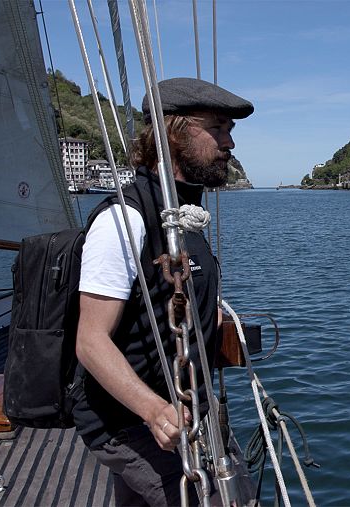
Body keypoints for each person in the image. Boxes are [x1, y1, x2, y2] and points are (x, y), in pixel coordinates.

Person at [72, 77, 253, 506]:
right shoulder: (127, 219)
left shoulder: (183, 216)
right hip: (130, 421)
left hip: (183, 412)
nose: (229, 144)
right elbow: (90, 341)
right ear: (174, 131)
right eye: (219, 128)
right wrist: (153, 410)